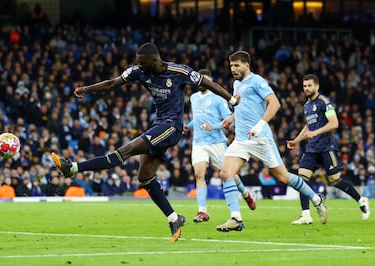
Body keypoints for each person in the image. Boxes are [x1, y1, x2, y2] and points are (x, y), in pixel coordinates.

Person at [51, 42, 239, 241]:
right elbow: (112, 83)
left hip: (171, 127)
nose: (138, 65)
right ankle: (174, 218)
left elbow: (207, 83)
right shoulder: (138, 72)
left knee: (127, 149)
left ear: (155, 60)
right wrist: (87, 89)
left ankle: (72, 168)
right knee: (144, 176)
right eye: (137, 62)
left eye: (142, 62)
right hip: (157, 125)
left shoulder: (178, 71)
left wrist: (231, 99)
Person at [216, 51, 328, 232]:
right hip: (242, 139)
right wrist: (232, 117)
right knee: (225, 173)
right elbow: (245, 106)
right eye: (231, 66)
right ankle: (236, 218)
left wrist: (260, 125)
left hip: (261, 138)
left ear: (246, 65)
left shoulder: (258, 81)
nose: (233, 69)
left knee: (282, 176)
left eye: (236, 65)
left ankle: (316, 199)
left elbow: (275, 103)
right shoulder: (236, 84)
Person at [287, 74, 370, 224]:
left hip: (326, 147)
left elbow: (334, 123)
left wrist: (315, 133)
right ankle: (305, 214)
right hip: (311, 148)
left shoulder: (325, 103)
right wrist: (296, 140)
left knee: (335, 180)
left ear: (317, 86)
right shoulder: (306, 106)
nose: (306, 88)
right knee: (302, 179)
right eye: (304, 86)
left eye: (309, 86)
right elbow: (308, 126)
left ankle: (361, 199)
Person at [185, 69, 255, 223]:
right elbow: (196, 119)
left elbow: (229, 120)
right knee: (198, 174)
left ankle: (245, 194)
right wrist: (188, 126)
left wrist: (214, 126)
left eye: (206, 80)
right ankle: (202, 211)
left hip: (216, 142)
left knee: (229, 174)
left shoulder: (218, 99)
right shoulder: (193, 98)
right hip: (198, 143)